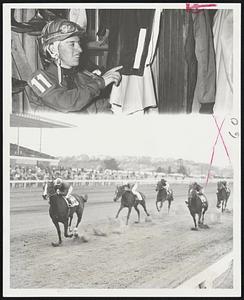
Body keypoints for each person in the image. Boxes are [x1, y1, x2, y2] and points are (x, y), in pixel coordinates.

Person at [28, 18, 122, 113]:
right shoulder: (39, 79)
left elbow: (98, 108)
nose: (80, 49)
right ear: (53, 49)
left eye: (79, 43)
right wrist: (99, 83)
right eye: (72, 44)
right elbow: (66, 103)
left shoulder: (84, 77)